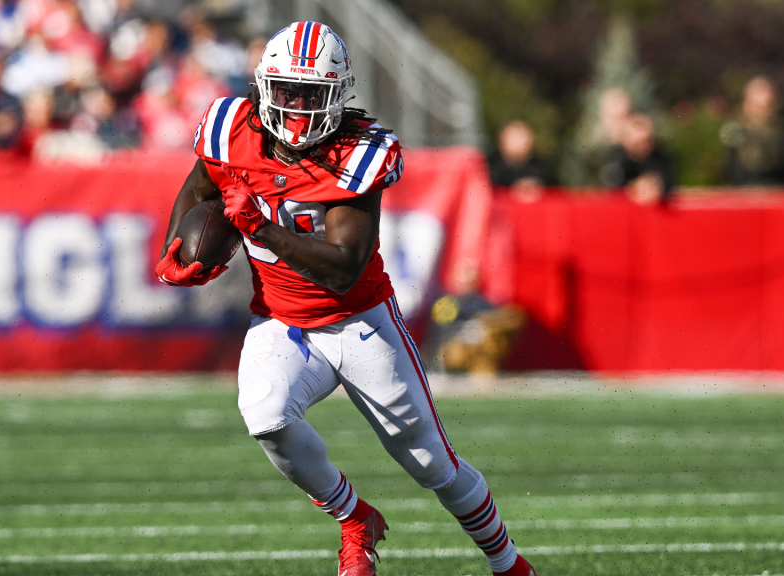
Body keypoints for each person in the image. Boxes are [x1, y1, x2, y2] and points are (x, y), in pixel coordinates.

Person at [155, 21, 536, 576]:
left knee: (433, 465)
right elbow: (200, 186)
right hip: (281, 322)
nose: (297, 109)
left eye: (310, 96)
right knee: (263, 411)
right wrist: (179, 248)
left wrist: (262, 230)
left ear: (337, 97)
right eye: (286, 92)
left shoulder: (359, 151)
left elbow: (342, 266)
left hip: (359, 322)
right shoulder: (229, 125)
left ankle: (508, 564)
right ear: (264, 86)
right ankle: (353, 518)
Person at [720, 75, 784, 186]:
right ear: (746, 103)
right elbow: (731, 169)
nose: (763, 112)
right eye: (758, 106)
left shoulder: (778, 132)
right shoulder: (734, 129)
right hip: (744, 195)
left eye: (768, 106)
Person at [600, 113, 676, 205]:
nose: (643, 147)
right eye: (637, 143)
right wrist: (633, 187)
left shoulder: (660, 158)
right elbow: (611, 186)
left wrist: (656, 184)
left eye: (647, 141)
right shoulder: (615, 159)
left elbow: (667, 180)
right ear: (624, 140)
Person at [487, 120, 553, 202]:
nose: (518, 142)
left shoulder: (542, 167)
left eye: (521, 137)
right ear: (502, 140)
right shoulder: (489, 167)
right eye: (514, 138)